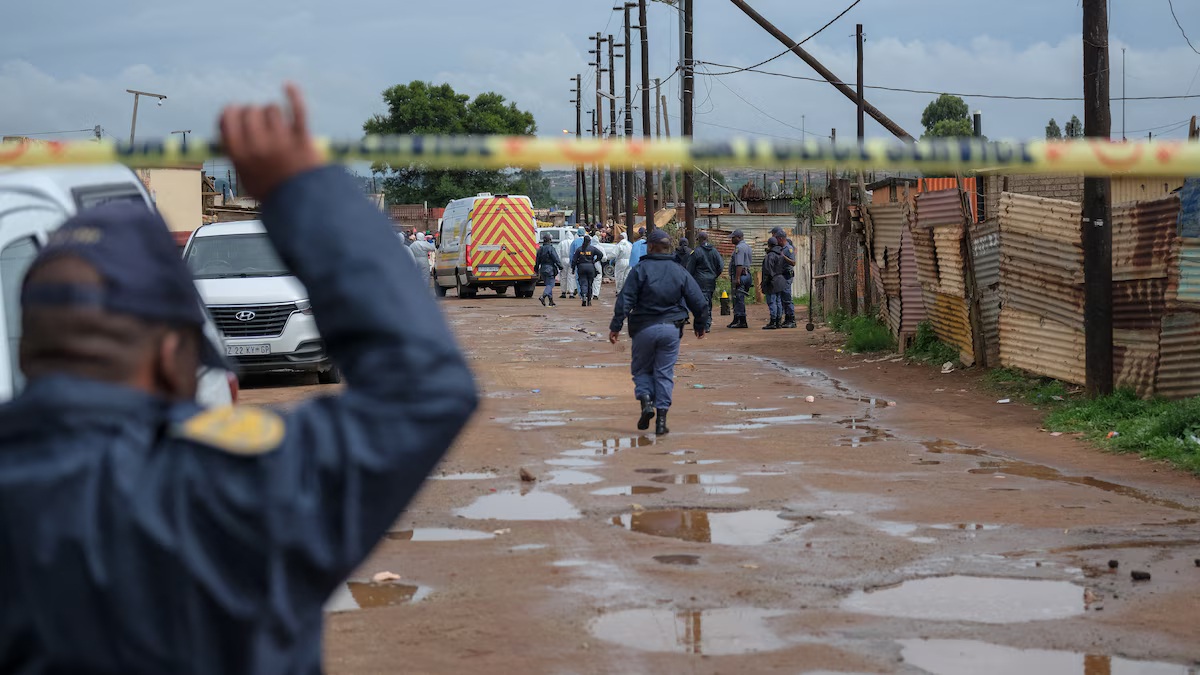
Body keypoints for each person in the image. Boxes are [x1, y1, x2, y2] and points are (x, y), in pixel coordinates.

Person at [0, 85, 478, 674]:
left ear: (29, 355)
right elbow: (424, 388)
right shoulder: (234, 486)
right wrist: (305, 192)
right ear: (174, 354)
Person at [609, 229, 710, 436]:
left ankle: (646, 402)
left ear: (651, 247)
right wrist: (700, 325)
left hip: (643, 328)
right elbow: (699, 302)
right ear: (668, 248)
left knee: (642, 370)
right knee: (664, 373)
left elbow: (625, 299)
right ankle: (661, 422)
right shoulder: (679, 270)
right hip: (671, 330)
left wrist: (616, 326)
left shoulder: (639, 269)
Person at [686, 231, 724, 331]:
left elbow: (690, 268)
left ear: (699, 240)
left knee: (702, 303)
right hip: (711, 281)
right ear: (707, 239)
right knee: (708, 301)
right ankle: (707, 322)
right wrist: (714, 275)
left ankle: (705, 324)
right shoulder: (714, 251)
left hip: (700, 281)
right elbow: (720, 266)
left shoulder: (696, 252)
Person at [771, 226, 799, 329]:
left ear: (781, 239)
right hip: (781, 276)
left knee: (787, 298)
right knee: (783, 299)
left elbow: (793, 262)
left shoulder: (788, 249)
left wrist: (783, 257)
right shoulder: (781, 248)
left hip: (787, 275)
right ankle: (786, 319)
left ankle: (791, 320)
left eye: (777, 239)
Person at [761, 236, 790, 330]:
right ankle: (778, 321)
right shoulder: (781, 254)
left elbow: (768, 270)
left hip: (772, 281)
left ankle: (773, 321)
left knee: (772, 301)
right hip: (780, 280)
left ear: (769, 245)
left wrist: (765, 283)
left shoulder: (770, 256)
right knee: (778, 301)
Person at [728, 229, 753, 329]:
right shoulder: (747, 246)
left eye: (733, 238)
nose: (731, 240)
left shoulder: (739, 248)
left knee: (739, 298)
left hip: (741, 275)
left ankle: (742, 320)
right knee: (738, 298)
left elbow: (739, 264)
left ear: (739, 237)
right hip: (746, 275)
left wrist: (737, 278)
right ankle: (736, 318)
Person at [571, 235, 605, 307]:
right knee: (590, 284)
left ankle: (583, 295)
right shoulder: (592, 249)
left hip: (581, 267)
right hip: (590, 267)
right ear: (590, 241)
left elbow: (574, 260)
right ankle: (589, 300)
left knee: (583, 283)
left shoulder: (579, 249)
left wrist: (573, 269)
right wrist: (595, 260)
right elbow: (601, 254)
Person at [535, 232, 563, 307]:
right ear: (550, 240)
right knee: (551, 284)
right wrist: (560, 266)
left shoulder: (540, 249)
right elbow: (555, 258)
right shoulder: (551, 249)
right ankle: (543, 296)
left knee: (548, 285)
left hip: (543, 269)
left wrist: (536, 269)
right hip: (550, 269)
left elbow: (537, 260)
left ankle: (551, 301)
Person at [557, 230, 577, 299]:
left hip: (563, 260)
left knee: (563, 276)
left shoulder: (561, 243)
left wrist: (559, 263)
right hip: (571, 260)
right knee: (571, 276)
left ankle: (563, 292)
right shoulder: (573, 242)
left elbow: (558, 253)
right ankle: (571, 293)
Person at [568, 227, 587, 299]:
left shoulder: (575, 242)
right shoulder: (588, 241)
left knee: (579, 278)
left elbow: (571, 254)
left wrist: (572, 264)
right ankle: (587, 292)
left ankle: (581, 293)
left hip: (579, 263)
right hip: (588, 262)